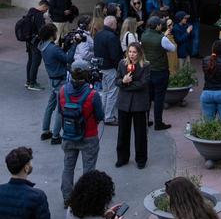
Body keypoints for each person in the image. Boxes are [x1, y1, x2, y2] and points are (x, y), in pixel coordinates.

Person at [59, 60, 104, 202]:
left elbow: (60, 111)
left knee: (68, 167)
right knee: (89, 170)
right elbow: (101, 116)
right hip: (89, 136)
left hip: (68, 135)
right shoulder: (92, 94)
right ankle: (87, 200)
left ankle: (67, 198)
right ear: (87, 75)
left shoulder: (62, 91)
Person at [115, 42, 151, 168]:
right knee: (123, 132)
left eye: (134, 52)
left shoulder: (145, 65)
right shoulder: (122, 63)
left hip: (139, 104)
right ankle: (122, 158)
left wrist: (126, 85)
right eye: (130, 52)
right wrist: (123, 81)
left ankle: (141, 159)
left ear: (140, 53)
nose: (132, 54)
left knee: (140, 134)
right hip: (124, 103)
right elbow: (116, 80)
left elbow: (143, 84)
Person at [140, 16, 176, 131]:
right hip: (160, 71)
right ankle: (158, 123)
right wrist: (164, 36)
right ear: (157, 26)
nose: (162, 25)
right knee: (159, 99)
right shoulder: (162, 38)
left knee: (148, 98)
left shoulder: (144, 35)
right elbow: (172, 48)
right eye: (160, 24)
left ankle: (145, 121)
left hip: (147, 71)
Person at [40, 23, 69, 144]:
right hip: (60, 80)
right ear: (52, 34)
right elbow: (67, 59)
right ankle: (56, 136)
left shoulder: (43, 46)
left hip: (52, 80)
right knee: (61, 109)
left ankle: (45, 131)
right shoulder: (53, 48)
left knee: (50, 106)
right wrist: (72, 47)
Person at [94, 15, 122, 125]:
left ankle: (104, 114)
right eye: (115, 23)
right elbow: (115, 55)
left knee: (105, 92)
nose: (116, 25)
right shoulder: (112, 37)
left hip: (101, 68)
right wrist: (119, 68)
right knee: (112, 93)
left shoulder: (98, 35)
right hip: (110, 68)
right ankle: (109, 117)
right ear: (112, 24)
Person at [21, 0, 50, 93]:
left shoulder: (31, 12)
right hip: (36, 43)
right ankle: (32, 83)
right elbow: (42, 31)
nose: (46, 11)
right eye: (46, 9)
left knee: (30, 61)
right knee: (35, 62)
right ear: (44, 6)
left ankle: (28, 81)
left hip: (29, 41)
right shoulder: (39, 16)